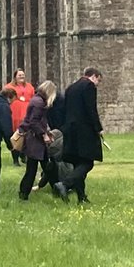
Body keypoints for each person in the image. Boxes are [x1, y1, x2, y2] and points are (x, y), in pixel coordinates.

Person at [54, 67, 104, 203]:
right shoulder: (89, 86)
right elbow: (91, 108)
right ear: (93, 76)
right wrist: (98, 128)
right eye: (98, 80)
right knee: (88, 163)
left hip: (70, 130)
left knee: (78, 163)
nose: (97, 84)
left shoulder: (71, 88)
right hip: (84, 130)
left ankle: (81, 197)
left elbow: (64, 110)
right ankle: (65, 184)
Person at [18, 80, 57, 200]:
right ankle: (24, 194)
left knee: (45, 167)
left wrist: (46, 132)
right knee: (34, 169)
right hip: (35, 140)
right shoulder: (39, 103)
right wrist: (44, 134)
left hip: (34, 139)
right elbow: (34, 122)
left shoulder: (36, 100)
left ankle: (58, 189)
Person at [7, 82, 28, 166]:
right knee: (18, 140)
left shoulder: (28, 86)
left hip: (18, 121)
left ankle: (19, 158)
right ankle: (19, 158)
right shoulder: (9, 88)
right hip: (18, 121)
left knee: (19, 141)